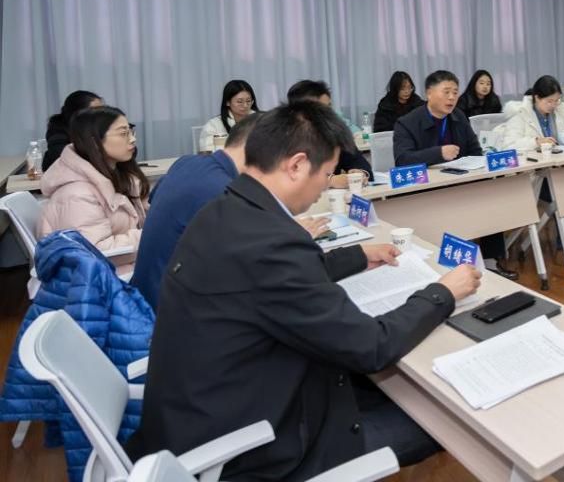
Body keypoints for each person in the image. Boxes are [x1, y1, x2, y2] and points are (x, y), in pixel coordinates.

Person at [125, 101, 482, 479]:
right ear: (296, 165)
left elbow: (271, 281)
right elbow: (370, 345)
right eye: (326, 174)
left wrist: (357, 256)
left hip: (210, 410)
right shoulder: (272, 242)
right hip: (255, 448)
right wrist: (442, 292)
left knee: (386, 388)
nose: (326, 185)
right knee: (450, 419)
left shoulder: (223, 209)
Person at [131, 115, 332, 309]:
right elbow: (266, 266)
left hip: (143, 298)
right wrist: (295, 236)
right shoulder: (226, 192)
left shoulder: (188, 162)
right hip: (171, 312)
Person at [393, 70, 519, 279]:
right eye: (446, 92)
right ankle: (444, 267)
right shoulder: (407, 122)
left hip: (460, 183)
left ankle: (490, 260)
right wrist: (438, 153)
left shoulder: (458, 116)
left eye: (455, 92)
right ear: (429, 93)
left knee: (491, 197)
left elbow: (475, 151)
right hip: (425, 191)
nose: (452, 97)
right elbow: (402, 160)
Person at [493, 75, 564, 269]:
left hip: (557, 171)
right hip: (534, 178)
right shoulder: (520, 116)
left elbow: (558, 139)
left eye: (556, 100)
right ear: (536, 97)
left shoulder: (556, 114)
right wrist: (535, 142)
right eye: (549, 101)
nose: (553, 105)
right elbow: (508, 145)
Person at [38, 106, 147, 256]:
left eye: (131, 131)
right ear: (95, 142)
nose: (133, 139)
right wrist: (150, 235)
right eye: (123, 133)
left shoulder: (120, 175)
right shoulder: (76, 195)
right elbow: (94, 252)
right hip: (106, 269)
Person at [288, 79, 373, 183]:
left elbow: (358, 162)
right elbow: (288, 180)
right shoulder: (284, 137)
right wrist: (330, 181)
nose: (329, 112)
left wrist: (360, 173)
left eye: (329, 106)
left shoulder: (335, 132)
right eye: (321, 109)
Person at [41, 90, 103, 172]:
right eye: (96, 111)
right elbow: (62, 156)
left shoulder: (99, 128)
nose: (102, 115)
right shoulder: (58, 131)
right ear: (78, 113)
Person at [199, 80, 259, 150]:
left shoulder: (260, 121)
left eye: (248, 101)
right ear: (227, 102)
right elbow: (208, 152)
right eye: (240, 101)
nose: (245, 105)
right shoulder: (213, 126)